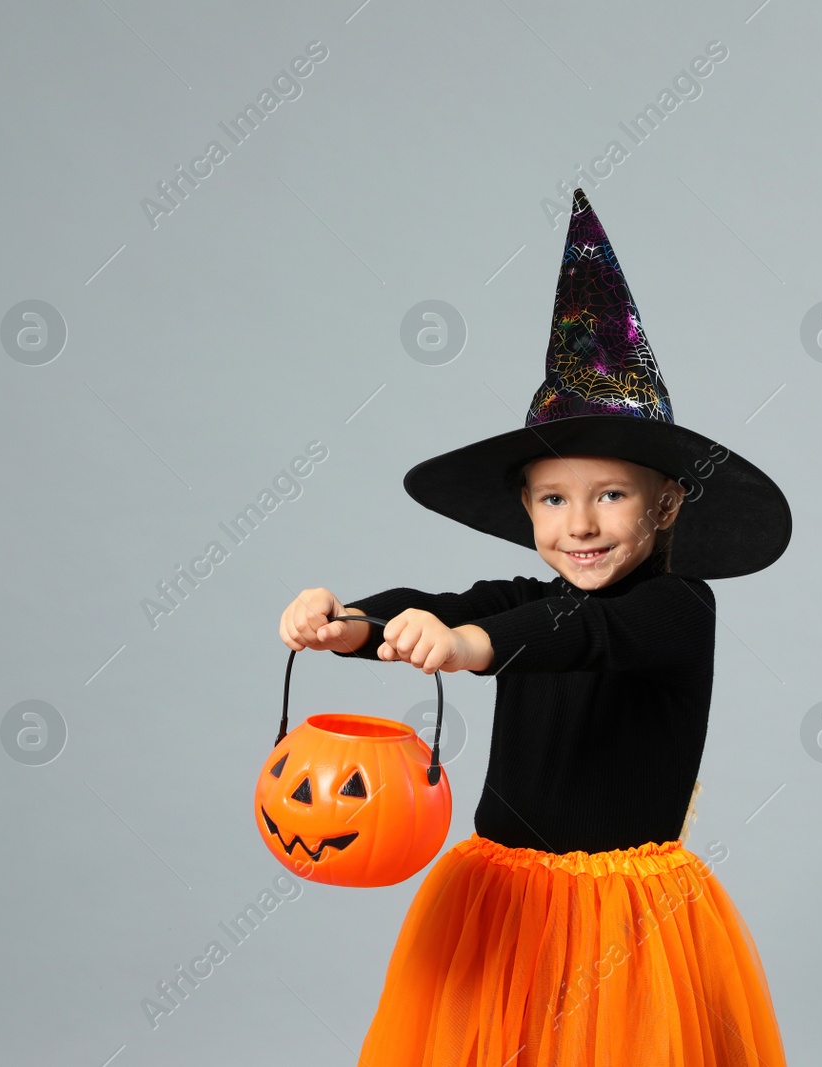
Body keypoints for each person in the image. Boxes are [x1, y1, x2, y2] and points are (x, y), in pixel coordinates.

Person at [277, 190, 792, 1065]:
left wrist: (472, 649)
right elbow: (447, 605)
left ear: (666, 504)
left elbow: (576, 637)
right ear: (526, 505)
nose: (579, 524)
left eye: (611, 495)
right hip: (501, 900)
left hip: (624, 920)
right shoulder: (521, 592)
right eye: (555, 498)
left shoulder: (678, 609)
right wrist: (351, 624)